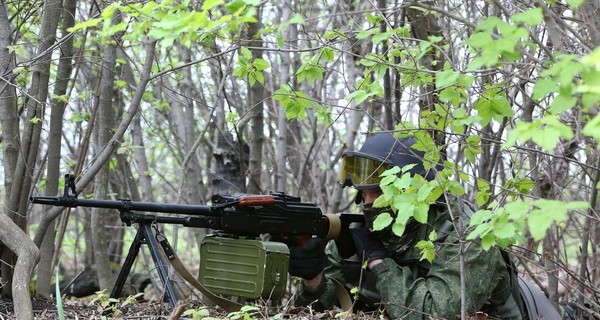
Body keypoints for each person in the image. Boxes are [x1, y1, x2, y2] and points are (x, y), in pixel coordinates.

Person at [288, 132, 524, 319]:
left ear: (413, 193)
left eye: (380, 193)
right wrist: (313, 282)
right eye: (365, 194)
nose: (370, 204)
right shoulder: (359, 233)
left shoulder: (466, 237)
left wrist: (379, 263)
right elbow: (314, 311)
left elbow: (437, 314)